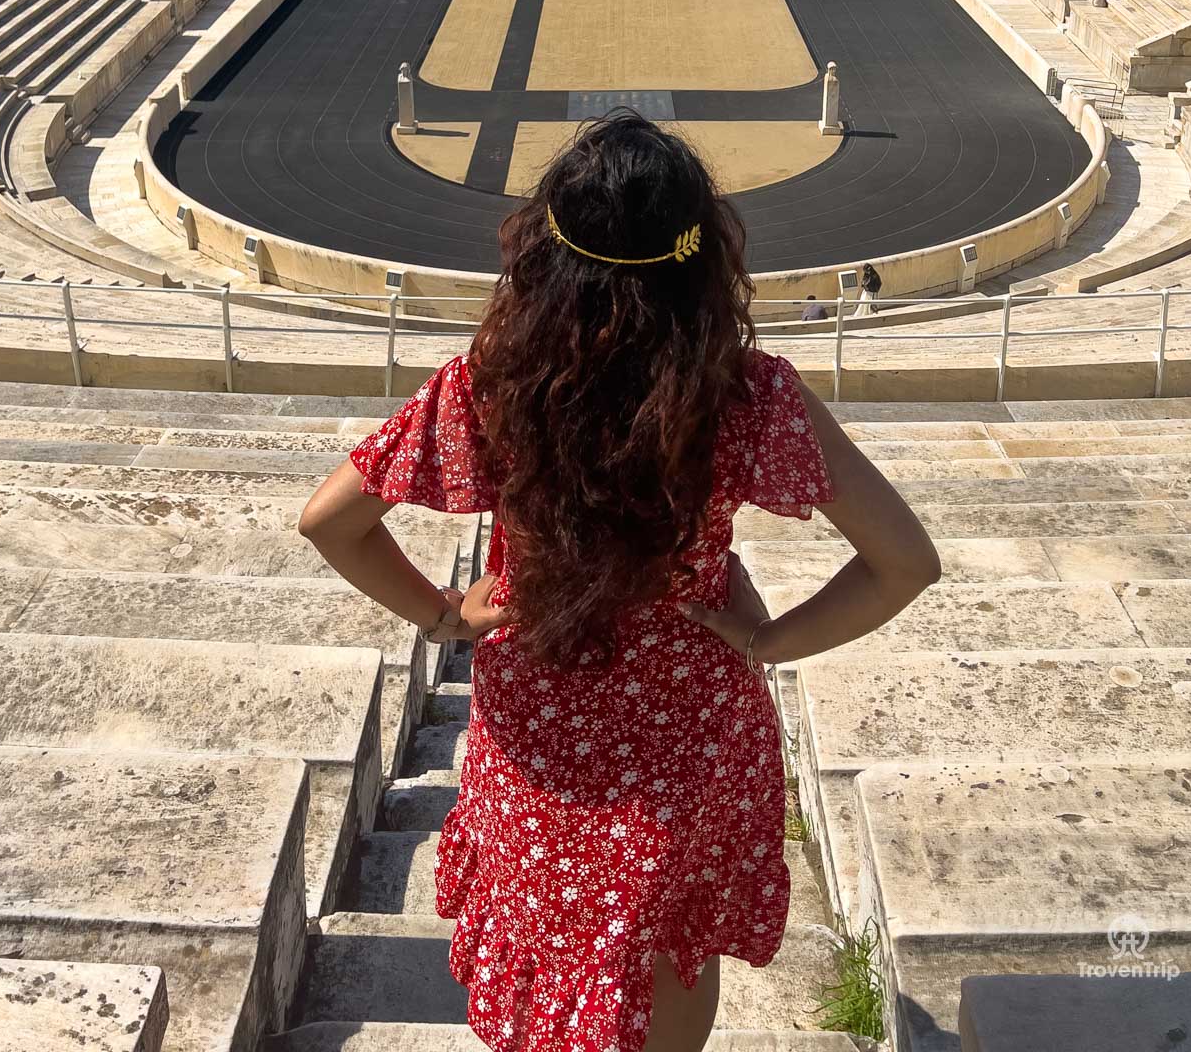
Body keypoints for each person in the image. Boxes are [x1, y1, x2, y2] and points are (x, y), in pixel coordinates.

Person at [298, 114, 939, 1052]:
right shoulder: (748, 393)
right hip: (690, 729)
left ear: (544, 250)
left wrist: (443, 613)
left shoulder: (491, 386)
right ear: (701, 255)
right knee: (672, 943)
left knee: (540, 949)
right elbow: (905, 563)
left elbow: (331, 519)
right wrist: (767, 640)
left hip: (539, 721)